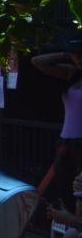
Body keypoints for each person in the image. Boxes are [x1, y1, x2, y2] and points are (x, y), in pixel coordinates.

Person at [30, 37, 82, 207]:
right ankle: (70, 226)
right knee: (64, 187)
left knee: (79, 188)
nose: (78, 58)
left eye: (80, 54)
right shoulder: (72, 74)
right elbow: (37, 62)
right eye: (76, 55)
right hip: (65, 140)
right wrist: (66, 53)